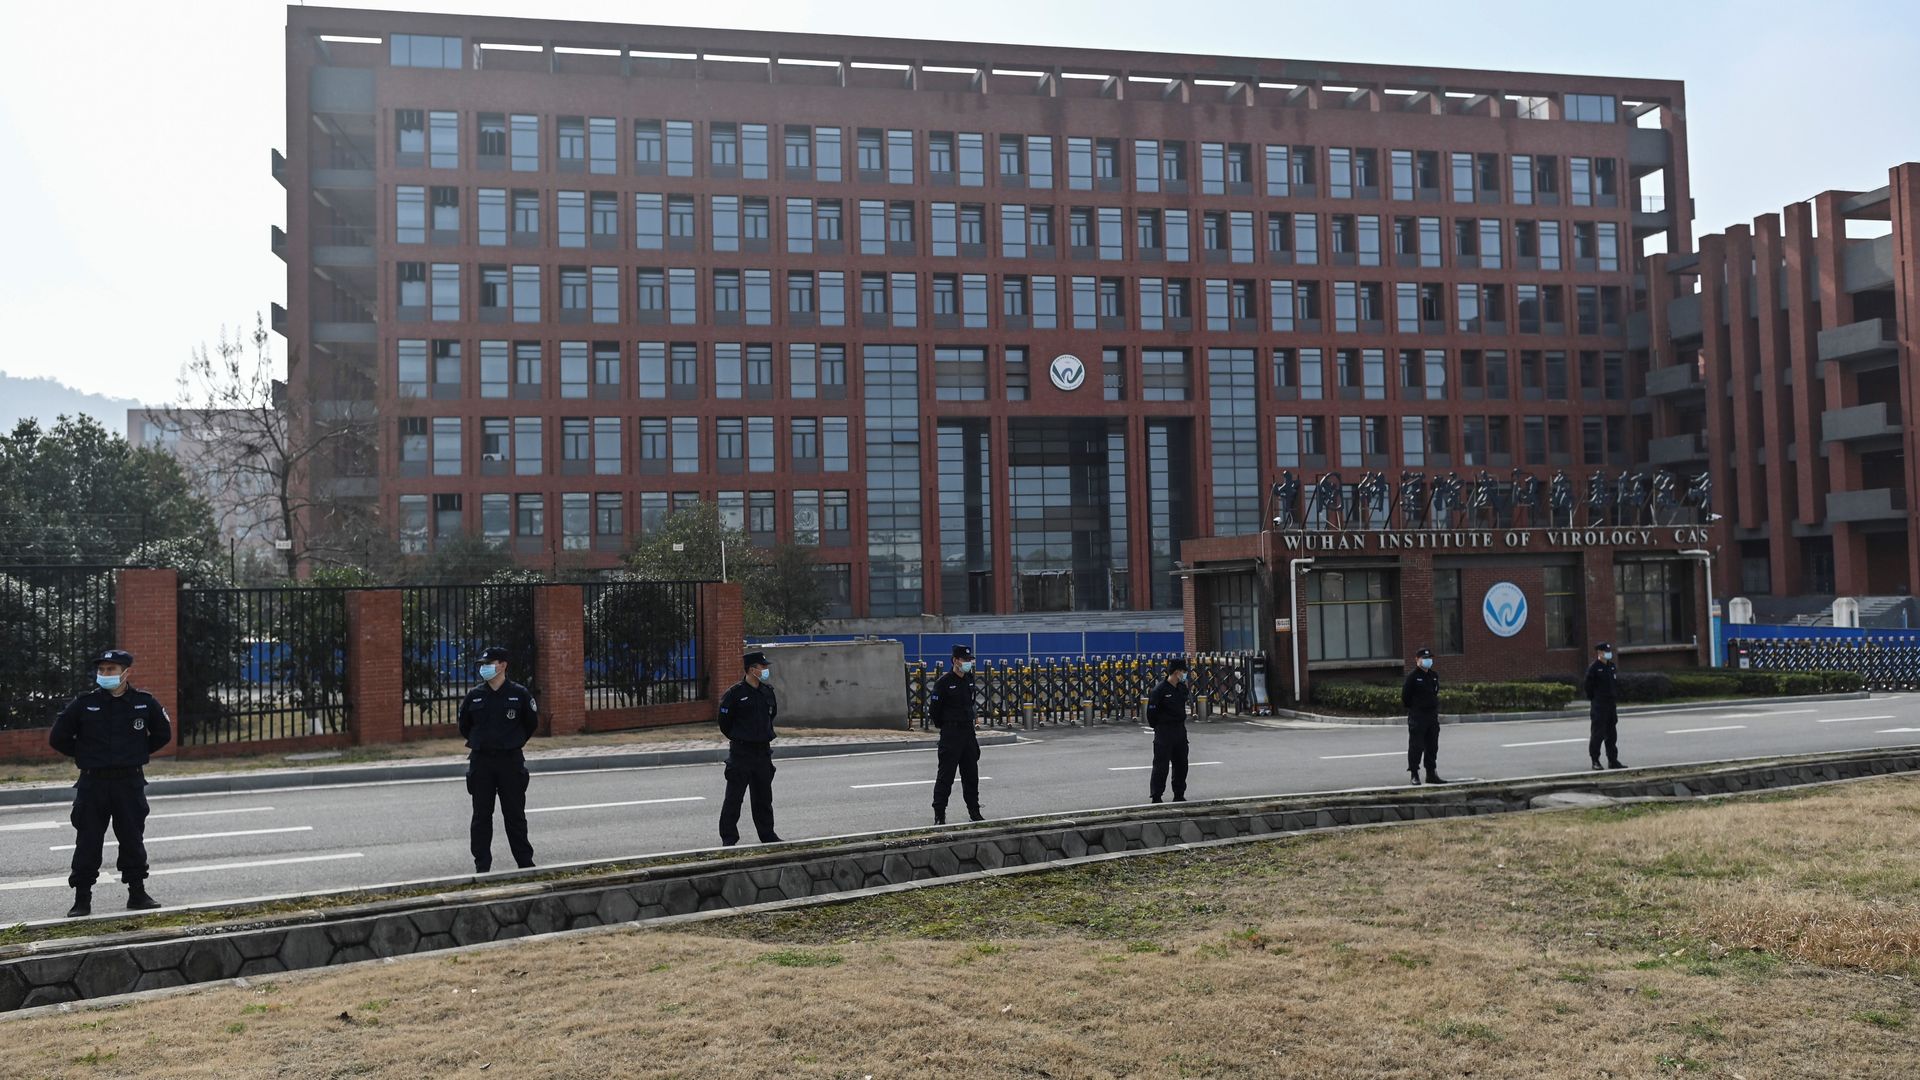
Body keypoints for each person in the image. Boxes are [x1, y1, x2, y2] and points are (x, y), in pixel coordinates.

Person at [48, 648, 172, 917]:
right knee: (88, 841)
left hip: (129, 782)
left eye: (111, 670)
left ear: (126, 673)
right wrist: (85, 755)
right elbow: (58, 737)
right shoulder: (84, 704)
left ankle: (137, 894)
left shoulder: (144, 703)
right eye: (102, 670)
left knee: (132, 839)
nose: (104, 674)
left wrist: (136, 753)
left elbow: (163, 734)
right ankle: (82, 899)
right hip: (93, 784)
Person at [458, 646, 539, 873]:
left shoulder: (520, 694)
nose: (484, 668)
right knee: (481, 816)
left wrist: (512, 741)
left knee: (514, 815)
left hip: (510, 761)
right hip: (482, 761)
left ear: (503, 665)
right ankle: (482, 866)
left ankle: (525, 864)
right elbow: (465, 726)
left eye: (489, 663)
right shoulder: (475, 696)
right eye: (483, 664)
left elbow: (530, 723)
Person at [717, 651, 782, 846]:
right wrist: (741, 738)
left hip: (762, 752)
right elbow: (724, 723)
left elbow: (771, 716)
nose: (765, 670)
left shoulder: (767, 692)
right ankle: (729, 838)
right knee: (734, 798)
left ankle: (768, 835)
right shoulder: (735, 694)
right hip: (741, 753)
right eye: (762, 667)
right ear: (752, 669)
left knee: (763, 797)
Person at [928, 644, 985, 825]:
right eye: (965, 660)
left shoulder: (968, 679)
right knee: (946, 776)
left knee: (971, 775)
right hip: (951, 734)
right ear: (955, 660)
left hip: (968, 732)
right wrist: (945, 726)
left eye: (970, 660)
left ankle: (974, 811)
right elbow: (934, 711)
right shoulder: (943, 683)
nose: (968, 663)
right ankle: (939, 814)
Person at [1147, 658, 1193, 803]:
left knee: (1181, 764)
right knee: (1161, 765)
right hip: (1164, 731)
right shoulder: (1159, 690)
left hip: (1179, 730)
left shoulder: (1181, 688)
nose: (1185, 674)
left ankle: (1179, 794)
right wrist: (1158, 727)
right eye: (1183, 671)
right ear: (1177, 671)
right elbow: (1151, 713)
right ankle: (1156, 795)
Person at [1403, 647, 1443, 785]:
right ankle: (1414, 774)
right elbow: (1405, 697)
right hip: (1418, 716)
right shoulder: (1413, 677)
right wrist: (1416, 708)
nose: (1428, 661)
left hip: (1431, 716)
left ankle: (1431, 773)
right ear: (1417, 660)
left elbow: (1435, 693)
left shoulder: (1433, 675)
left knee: (1432, 745)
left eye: (1429, 658)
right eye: (1424, 658)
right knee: (1416, 746)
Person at [1586, 642, 1624, 770]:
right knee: (1598, 734)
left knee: (1612, 735)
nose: (1608, 654)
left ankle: (1613, 760)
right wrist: (1595, 699)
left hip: (1611, 706)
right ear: (1599, 653)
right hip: (1599, 706)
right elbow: (1588, 688)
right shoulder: (1594, 668)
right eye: (1606, 652)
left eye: (1609, 651)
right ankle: (1595, 761)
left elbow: (1615, 684)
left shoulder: (1611, 667)